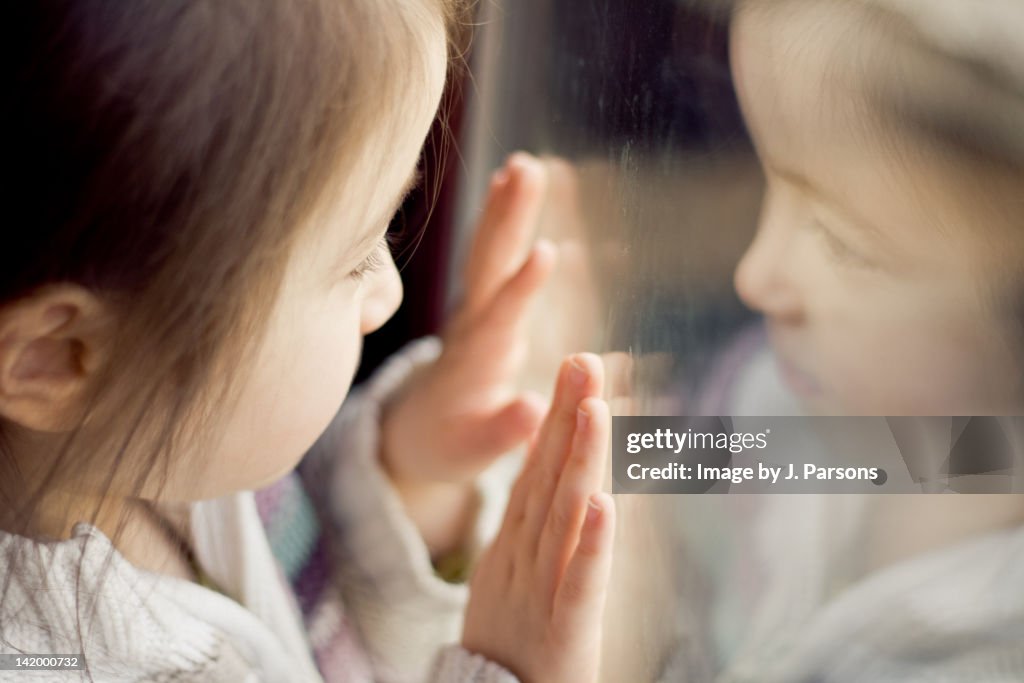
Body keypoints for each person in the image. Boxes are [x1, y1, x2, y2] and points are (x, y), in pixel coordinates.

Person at [0, 2, 615, 682]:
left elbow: (319, 631)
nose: (390, 295)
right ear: (56, 358)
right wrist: (502, 672)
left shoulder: (181, 450)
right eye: (354, 257)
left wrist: (413, 472)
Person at [671, 0, 1024, 679]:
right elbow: (639, 474)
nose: (755, 276)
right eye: (767, 182)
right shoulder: (776, 406)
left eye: (845, 244)